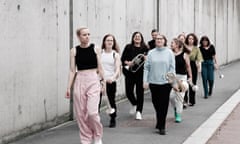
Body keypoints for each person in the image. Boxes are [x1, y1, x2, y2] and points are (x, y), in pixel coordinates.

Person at [65, 27, 103, 144]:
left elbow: (100, 68)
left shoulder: (95, 48)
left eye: (88, 34)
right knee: (81, 114)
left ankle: (97, 136)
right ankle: (86, 139)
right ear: (79, 36)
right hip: (80, 80)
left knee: (92, 112)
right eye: (84, 35)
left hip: (93, 80)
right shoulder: (74, 51)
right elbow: (72, 71)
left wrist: (103, 82)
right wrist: (68, 87)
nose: (87, 36)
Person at [143, 34, 175, 135]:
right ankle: (159, 120)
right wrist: (145, 81)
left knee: (164, 104)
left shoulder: (169, 53)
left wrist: (171, 80)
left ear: (164, 41)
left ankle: (162, 126)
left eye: (161, 39)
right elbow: (146, 68)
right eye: (157, 39)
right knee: (156, 103)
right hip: (153, 82)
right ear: (155, 41)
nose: (159, 40)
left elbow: (172, 68)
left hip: (165, 83)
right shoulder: (151, 53)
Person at [121, 32, 148, 120]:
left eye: (139, 36)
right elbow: (123, 59)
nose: (137, 38)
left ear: (141, 38)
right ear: (133, 38)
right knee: (128, 92)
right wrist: (128, 63)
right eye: (135, 36)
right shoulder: (128, 47)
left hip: (141, 73)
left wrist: (146, 58)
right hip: (129, 73)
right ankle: (135, 104)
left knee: (140, 93)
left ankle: (139, 111)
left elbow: (149, 61)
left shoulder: (145, 48)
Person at [169, 38, 192, 123]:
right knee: (171, 97)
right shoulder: (169, 54)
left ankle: (178, 114)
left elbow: (188, 66)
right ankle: (176, 108)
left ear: (178, 45)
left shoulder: (184, 55)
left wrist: (190, 77)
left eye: (172, 43)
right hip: (172, 77)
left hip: (182, 78)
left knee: (179, 96)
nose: (171, 44)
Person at [101, 34, 121, 127]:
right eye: (108, 40)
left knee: (111, 100)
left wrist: (112, 78)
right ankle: (95, 120)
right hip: (99, 81)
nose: (109, 42)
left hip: (110, 81)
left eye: (111, 40)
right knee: (96, 101)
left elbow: (117, 69)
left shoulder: (115, 54)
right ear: (104, 42)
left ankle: (113, 118)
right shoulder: (100, 53)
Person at [184, 33, 203, 106]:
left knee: (192, 83)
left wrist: (199, 67)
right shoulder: (184, 47)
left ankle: (192, 100)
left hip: (193, 65)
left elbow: (199, 58)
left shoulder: (196, 48)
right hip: (185, 65)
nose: (190, 40)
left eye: (192, 39)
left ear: (194, 40)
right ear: (187, 39)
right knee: (185, 83)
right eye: (189, 38)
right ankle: (184, 100)